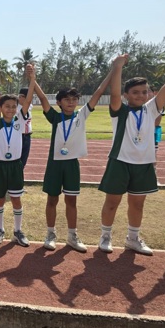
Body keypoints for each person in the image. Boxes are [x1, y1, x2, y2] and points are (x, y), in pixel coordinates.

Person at [34, 63, 113, 252]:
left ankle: (72, 235)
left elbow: (99, 92)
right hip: (54, 164)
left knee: (71, 201)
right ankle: (50, 234)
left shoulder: (81, 115)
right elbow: (43, 98)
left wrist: (112, 72)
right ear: (59, 102)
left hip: (71, 165)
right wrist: (32, 80)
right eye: (66, 99)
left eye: (74, 99)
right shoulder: (54, 117)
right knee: (52, 200)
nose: (71, 102)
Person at [98, 54, 165, 256]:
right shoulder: (119, 110)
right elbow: (114, 94)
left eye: (144, 92)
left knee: (137, 204)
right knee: (112, 202)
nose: (140, 95)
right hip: (119, 162)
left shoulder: (152, 109)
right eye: (135, 92)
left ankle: (133, 238)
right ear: (127, 94)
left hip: (144, 164)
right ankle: (105, 236)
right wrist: (118, 66)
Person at [0, 66, 35, 246]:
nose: (11, 109)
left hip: (15, 166)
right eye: (7, 106)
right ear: (1, 108)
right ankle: (0, 230)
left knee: (16, 199)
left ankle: (18, 230)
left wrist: (32, 79)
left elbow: (28, 100)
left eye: (14, 106)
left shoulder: (20, 120)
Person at [17, 87, 33, 168]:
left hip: (27, 136)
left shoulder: (30, 107)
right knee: (18, 160)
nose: (30, 100)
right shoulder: (17, 108)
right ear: (21, 97)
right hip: (19, 135)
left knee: (23, 160)